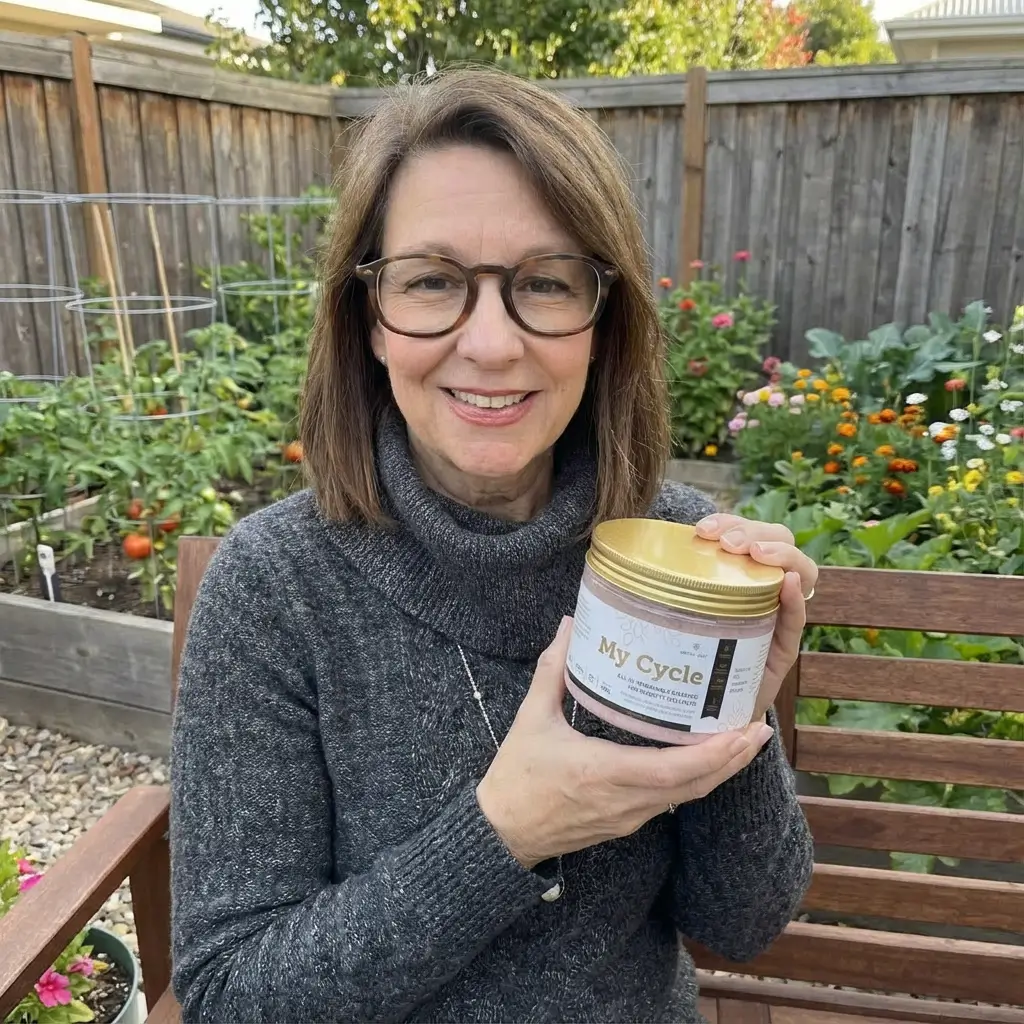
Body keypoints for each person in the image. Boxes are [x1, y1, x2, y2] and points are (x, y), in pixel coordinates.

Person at [170, 66, 817, 1024]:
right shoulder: (277, 586)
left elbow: (743, 924)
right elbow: (230, 994)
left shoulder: (677, 559)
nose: (491, 344)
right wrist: (504, 833)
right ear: (369, 321)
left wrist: (736, 727)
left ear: (603, 323)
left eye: (544, 283)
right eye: (432, 281)